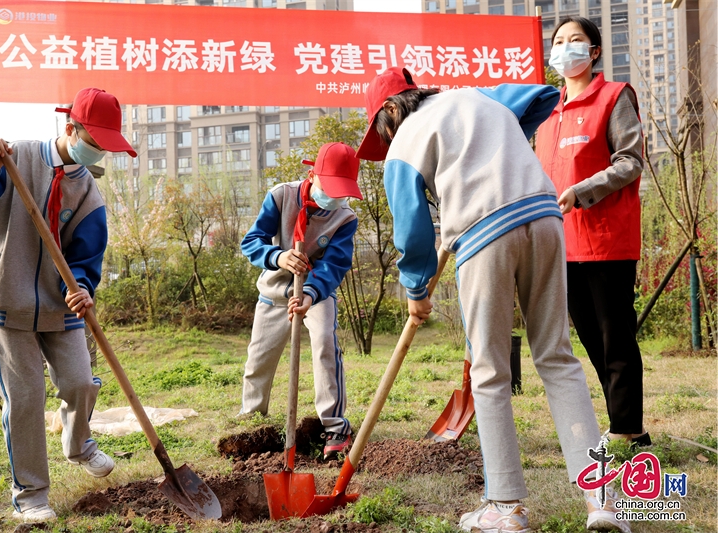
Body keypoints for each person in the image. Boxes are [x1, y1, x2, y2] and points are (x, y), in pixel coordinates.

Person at [357, 67, 628, 533]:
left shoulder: (403, 144)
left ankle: (506, 508)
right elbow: (543, 96)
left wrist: (417, 292)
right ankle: (600, 500)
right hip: (544, 216)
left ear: (388, 112)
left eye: (380, 133)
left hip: (486, 234)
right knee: (558, 359)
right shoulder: (477, 98)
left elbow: (411, 231)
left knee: (488, 370)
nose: (384, 143)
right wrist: (496, 151)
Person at [0, 88, 136, 523]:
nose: (100, 151)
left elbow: (88, 257)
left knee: (80, 383)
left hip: (61, 309)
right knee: (27, 396)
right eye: (96, 140)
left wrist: (83, 287)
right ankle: (31, 493)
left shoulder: (88, 190)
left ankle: (79, 445)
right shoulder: (19, 158)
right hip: (9, 308)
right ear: (71, 129)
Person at [536, 16, 647, 447]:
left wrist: (582, 190)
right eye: (559, 41)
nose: (566, 48)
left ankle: (625, 428)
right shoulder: (547, 112)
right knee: (590, 337)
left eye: (576, 40)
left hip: (607, 239)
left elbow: (630, 161)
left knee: (615, 335)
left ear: (594, 51)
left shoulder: (615, 97)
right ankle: (630, 423)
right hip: (563, 243)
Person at [239, 142, 361, 459]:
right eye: (329, 188)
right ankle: (252, 420)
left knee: (324, 342)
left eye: (341, 192)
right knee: (259, 357)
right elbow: (251, 243)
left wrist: (309, 293)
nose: (333, 198)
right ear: (311, 174)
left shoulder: (345, 218)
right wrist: (278, 258)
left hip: (317, 290)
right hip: (276, 288)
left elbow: (334, 264)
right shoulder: (280, 196)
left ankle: (334, 426)